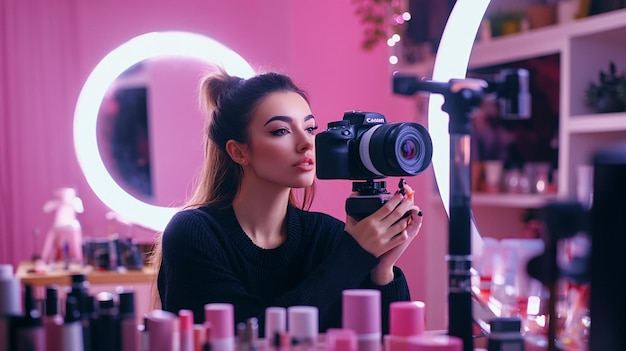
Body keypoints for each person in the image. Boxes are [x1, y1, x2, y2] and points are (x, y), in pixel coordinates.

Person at [154, 67, 423, 335]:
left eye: (310, 128)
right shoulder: (194, 234)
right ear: (239, 151)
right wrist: (354, 254)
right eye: (281, 131)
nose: (306, 143)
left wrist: (381, 267)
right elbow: (250, 338)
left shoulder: (327, 236)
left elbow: (393, 340)